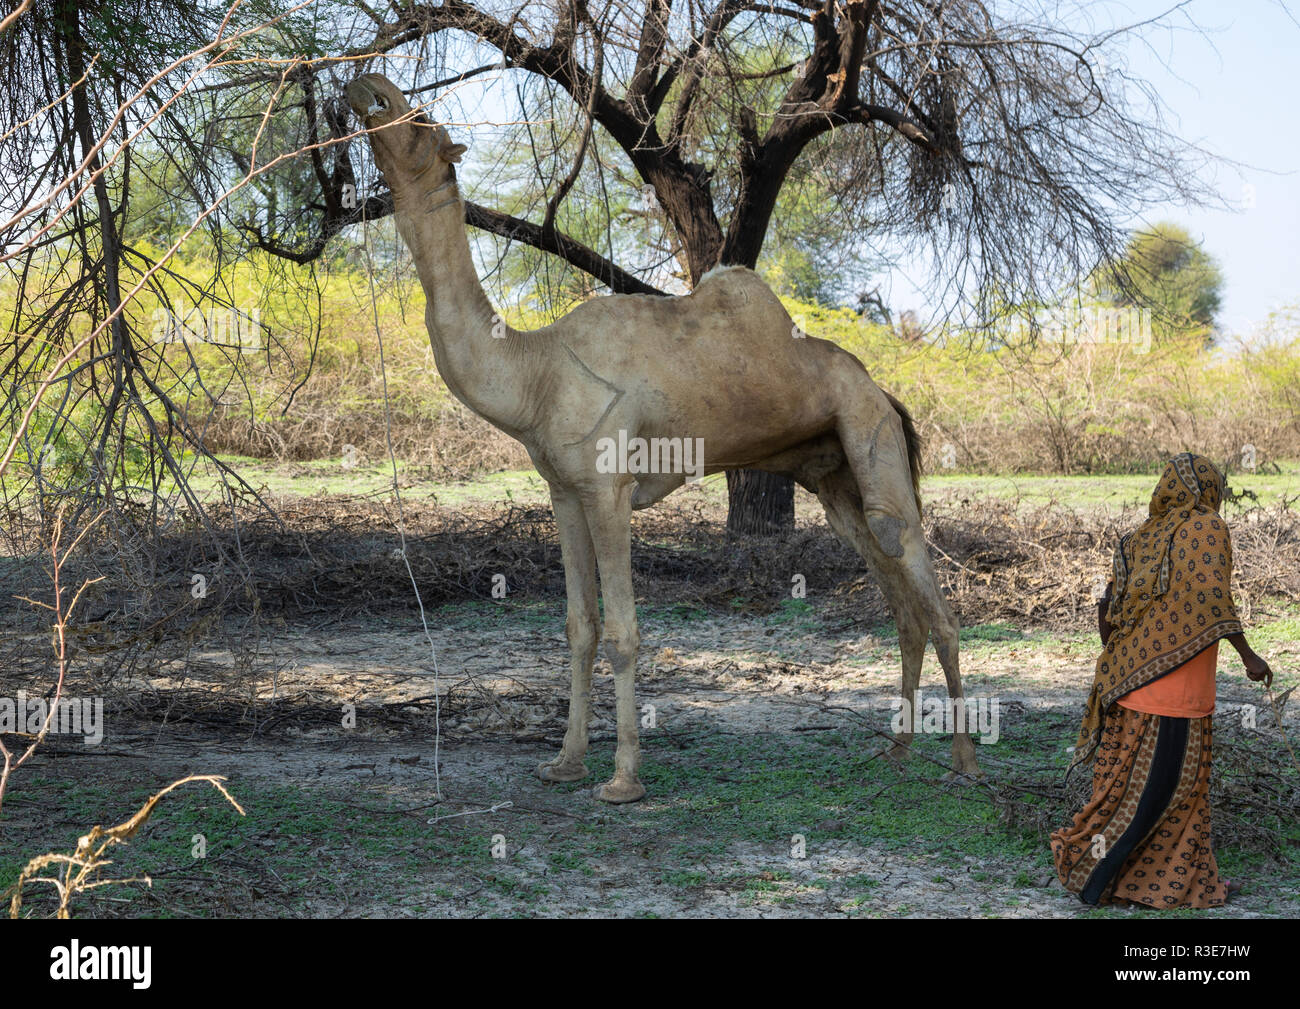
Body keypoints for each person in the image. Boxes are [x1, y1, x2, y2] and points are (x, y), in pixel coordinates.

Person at [1051, 453, 1273, 908]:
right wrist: (1249, 657)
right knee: (1158, 799)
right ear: (1209, 490)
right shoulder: (1207, 528)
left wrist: (1127, 657)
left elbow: (1106, 613)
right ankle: (1089, 874)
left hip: (1128, 686)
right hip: (1174, 695)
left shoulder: (1139, 538)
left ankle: (1179, 883)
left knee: (1146, 795)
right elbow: (1213, 599)